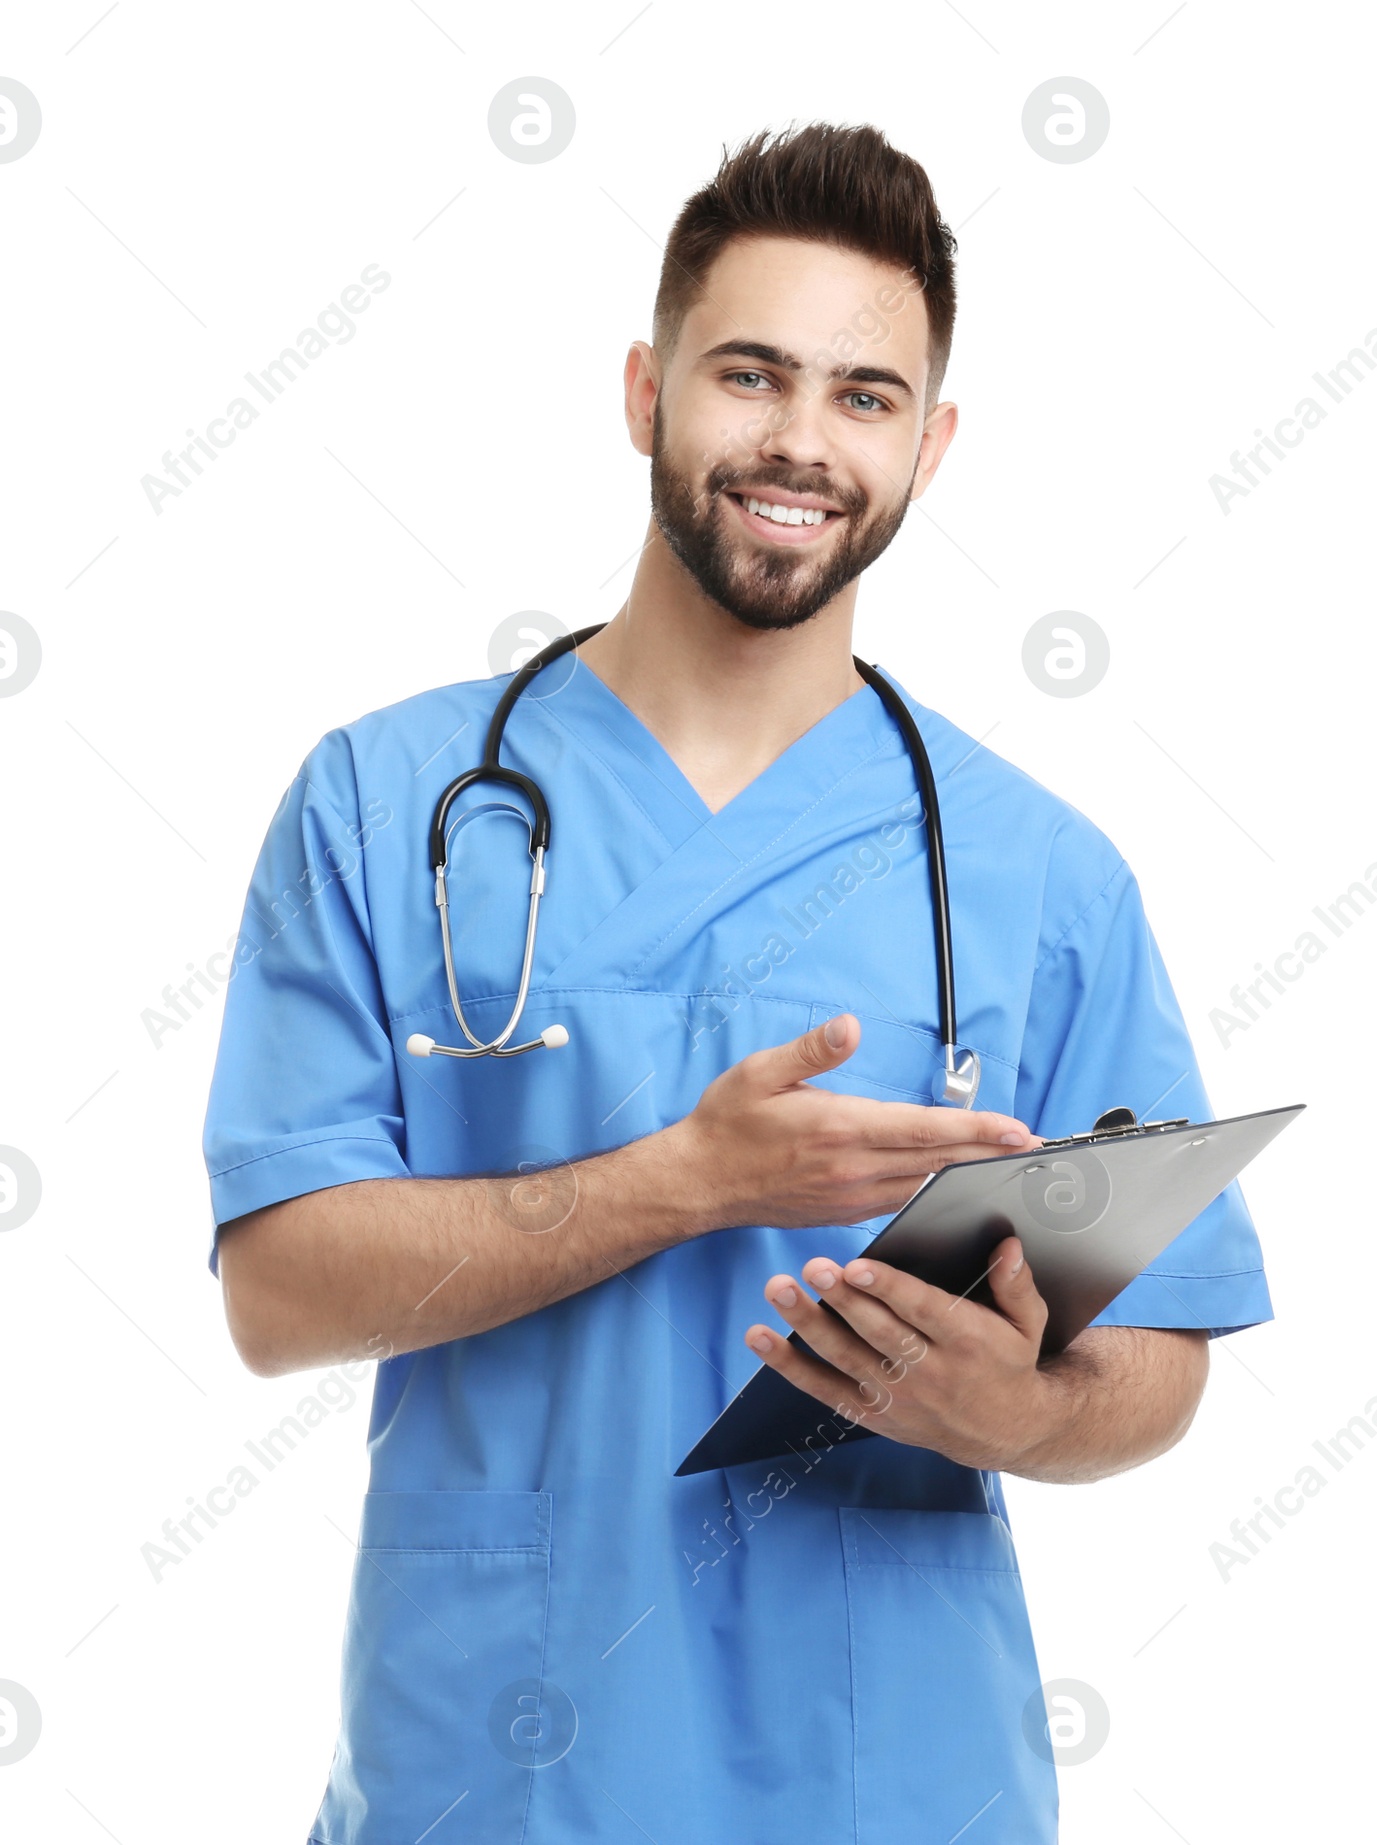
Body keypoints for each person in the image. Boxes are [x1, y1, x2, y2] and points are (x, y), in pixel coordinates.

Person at [205, 120, 1273, 1845]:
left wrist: (1024, 1406)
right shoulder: (386, 805)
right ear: (645, 390)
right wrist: (683, 1184)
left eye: (863, 397)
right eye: (751, 373)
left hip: (892, 1778)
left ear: (929, 446)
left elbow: (1154, 1352)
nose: (799, 440)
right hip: (493, 1765)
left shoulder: (1035, 875)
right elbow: (278, 1291)